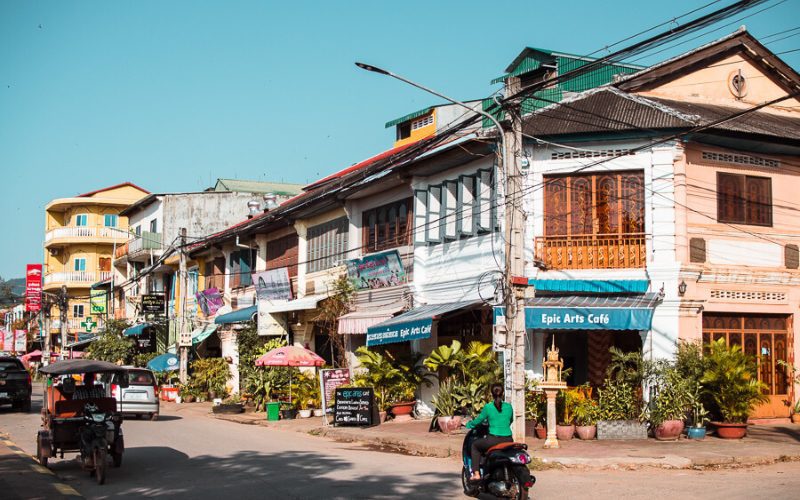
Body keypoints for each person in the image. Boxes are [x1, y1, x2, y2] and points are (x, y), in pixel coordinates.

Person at [465, 383, 513, 481]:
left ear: (492, 394)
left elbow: (478, 421)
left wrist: (468, 424)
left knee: (475, 446)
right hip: (509, 439)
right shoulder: (509, 407)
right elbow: (510, 420)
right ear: (503, 393)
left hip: (494, 440)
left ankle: (476, 474)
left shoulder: (488, 407)